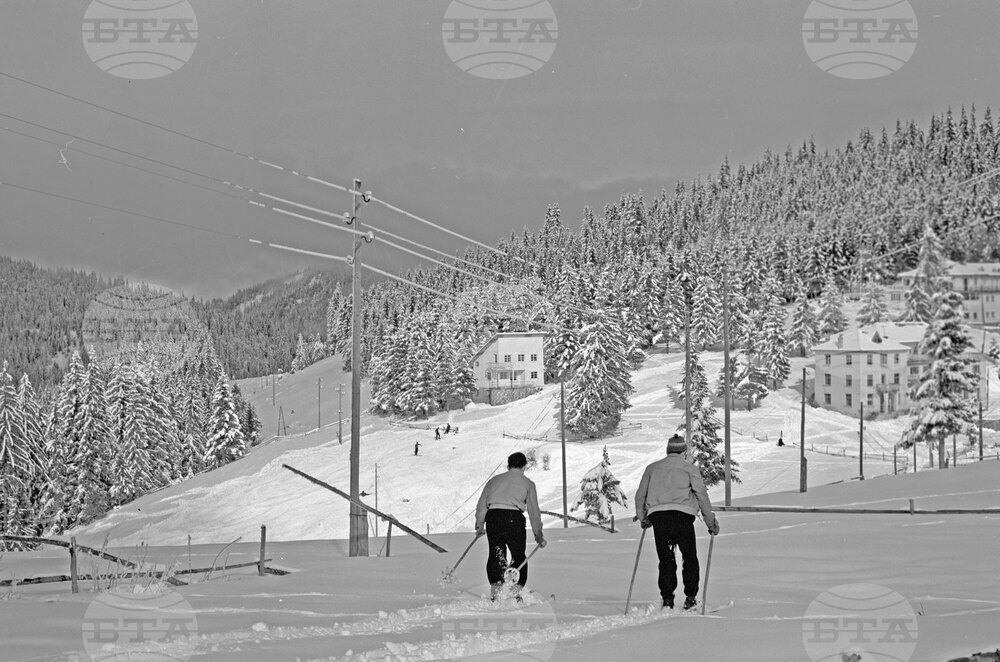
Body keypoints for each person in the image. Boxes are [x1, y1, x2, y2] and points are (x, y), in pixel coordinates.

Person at [635, 434, 720, 611]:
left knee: (665, 558)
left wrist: (644, 518)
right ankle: (690, 597)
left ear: (668, 450)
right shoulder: (690, 469)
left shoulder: (652, 469)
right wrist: (710, 522)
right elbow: (701, 496)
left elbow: (640, 496)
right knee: (689, 557)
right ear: (683, 452)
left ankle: (667, 598)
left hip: (659, 517)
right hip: (683, 516)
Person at [475, 452, 545, 600]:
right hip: (514, 519)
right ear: (524, 466)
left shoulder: (494, 481)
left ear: (508, 465)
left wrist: (480, 524)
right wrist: (538, 532)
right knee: (518, 554)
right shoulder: (528, 484)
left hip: (493, 517)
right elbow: (533, 510)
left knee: (496, 553)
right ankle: (516, 591)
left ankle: (496, 590)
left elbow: (482, 504)